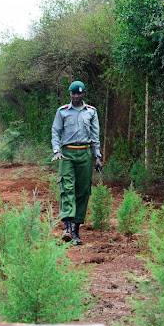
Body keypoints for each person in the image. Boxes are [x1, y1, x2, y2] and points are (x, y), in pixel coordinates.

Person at [50, 80, 102, 245]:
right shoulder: (63, 112)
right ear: (70, 94)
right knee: (67, 188)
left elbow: (95, 135)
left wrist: (97, 156)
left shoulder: (91, 112)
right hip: (67, 154)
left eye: (79, 93)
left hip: (85, 154)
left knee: (83, 191)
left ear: (83, 94)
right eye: (74, 93)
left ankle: (76, 230)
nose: (77, 96)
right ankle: (66, 227)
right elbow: (56, 131)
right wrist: (56, 151)